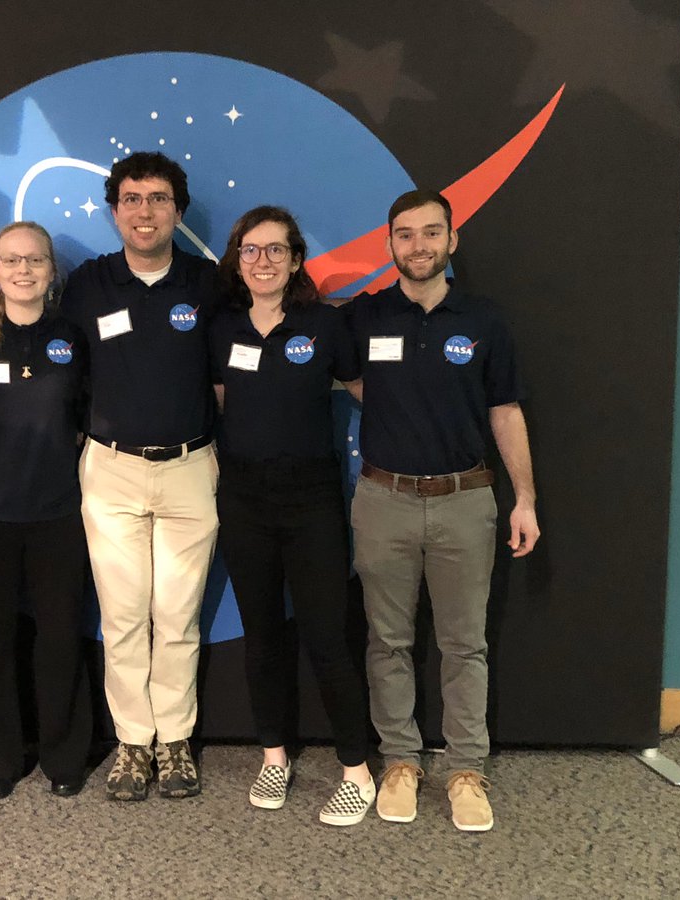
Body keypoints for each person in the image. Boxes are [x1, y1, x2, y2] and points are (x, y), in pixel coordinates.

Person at [347, 188, 540, 832]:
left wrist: (526, 499)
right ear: (390, 243)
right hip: (382, 499)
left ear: (453, 240)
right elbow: (346, 380)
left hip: (465, 500)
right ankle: (400, 760)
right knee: (388, 641)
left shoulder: (484, 321)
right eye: (405, 234)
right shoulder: (365, 317)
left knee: (464, 645)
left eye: (433, 233)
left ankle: (465, 769)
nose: (419, 245)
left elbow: (506, 412)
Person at [210, 206, 375, 825]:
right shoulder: (221, 328)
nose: (263, 261)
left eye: (276, 250)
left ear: (297, 259)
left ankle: (356, 768)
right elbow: (224, 402)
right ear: (237, 259)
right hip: (245, 500)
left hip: (312, 501)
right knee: (262, 637)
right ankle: (274, 756)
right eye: (251, 250)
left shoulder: (323, 326)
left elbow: (369, 394)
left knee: (328, 636)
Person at [69, 153, 219, 801]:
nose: (145, 211)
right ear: (114, 211)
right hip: (111, 469)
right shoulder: (87, 285)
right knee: (124, 615)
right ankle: (134, 744)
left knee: (178, 615)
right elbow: (42, 352)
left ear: (177, 211)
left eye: (158, 199)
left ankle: (175, 742)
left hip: (191, 467)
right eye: (131, 199)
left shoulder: (211, 283)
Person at [0, 222, 93, 800]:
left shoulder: (73, 338)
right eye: (11, 260)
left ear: (51, 270)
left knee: (60, 640)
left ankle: (63, 757)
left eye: (35, 260)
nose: (24, 270)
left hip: (59, 514)